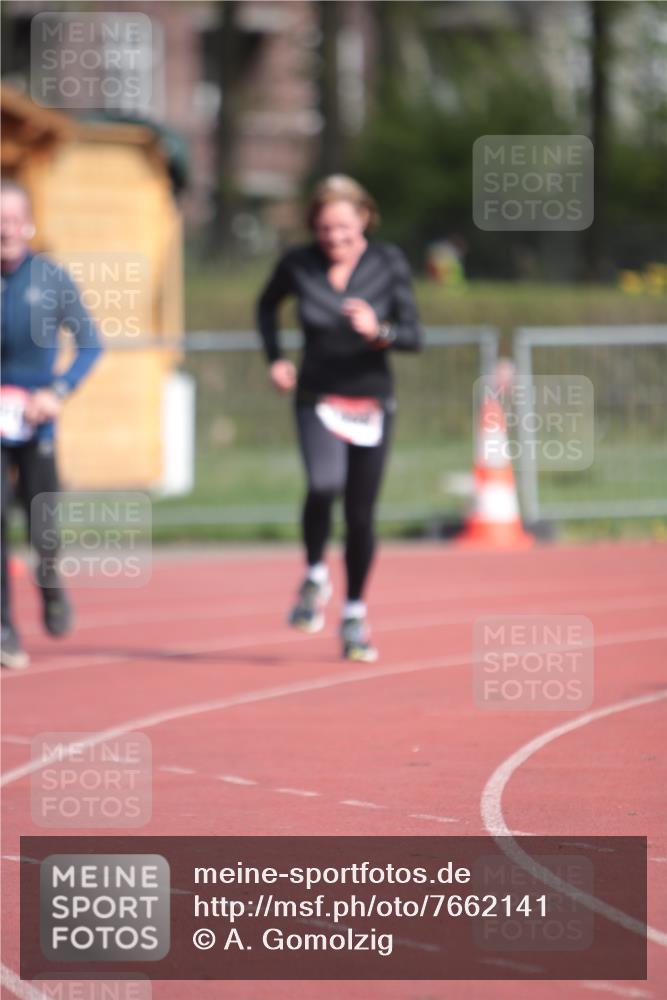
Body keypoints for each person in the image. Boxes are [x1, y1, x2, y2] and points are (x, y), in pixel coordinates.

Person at [257, 174, 422, 662]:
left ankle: (354, 614)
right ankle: (313, 574)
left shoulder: (388, 263)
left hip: (372, 402)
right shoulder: (299, 263)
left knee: (360, 514)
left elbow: (414, 335)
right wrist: (275, 357)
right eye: (325, 229)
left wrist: (380, 330)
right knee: (323, 482)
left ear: (364, 219)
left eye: (343, 228)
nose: (334, 238)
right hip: (316, 395)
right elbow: (266, 306)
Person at [1, 181, 103, 669]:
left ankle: (50, 580)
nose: (4, 229)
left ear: (28, 225)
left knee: (43, 523)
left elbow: (90, 344)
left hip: (36, 421)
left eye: (12, 219)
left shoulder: (52, 279)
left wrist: (57, 391)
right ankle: (4, 627)